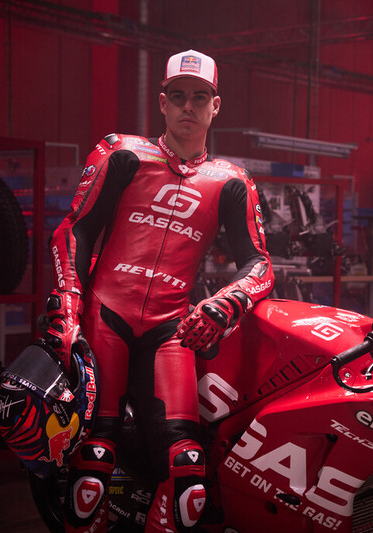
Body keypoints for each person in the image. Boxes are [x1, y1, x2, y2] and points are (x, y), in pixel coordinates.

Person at [44, 49, 274, 533]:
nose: (189, 105)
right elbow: (75, 229)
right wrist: (67, 304)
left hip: (172, 330)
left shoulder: (232, 182)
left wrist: (226, 302)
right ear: (163, 103)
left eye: (200, 97)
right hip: (104, 316)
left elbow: (259, 264)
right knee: (93, 461)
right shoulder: (122, 154)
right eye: (178, 95)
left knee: (189, 476)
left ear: (216, 106)